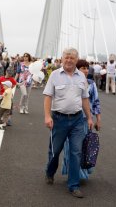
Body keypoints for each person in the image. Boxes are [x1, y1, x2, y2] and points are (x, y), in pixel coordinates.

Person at [43, 48, 93, 198]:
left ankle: (73, 185)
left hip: (77, 120)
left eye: (72, 58)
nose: (69, 60)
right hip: (59, 119)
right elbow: (47, 96)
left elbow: (85, 99)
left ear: (76, 60)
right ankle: (50, 171)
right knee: (55, 151)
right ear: (62, 59)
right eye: (67, 57)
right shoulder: (54, 75)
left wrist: (89, 117)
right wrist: (47, 116)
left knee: (76, 152)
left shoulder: (81, 77)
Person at [62, 59, 101, 180]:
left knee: (82, 147)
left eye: (86, 68)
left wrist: (98, 119)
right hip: (68, 117)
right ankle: (73, 172)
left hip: (84, 120)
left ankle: (80, 173)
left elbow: (95, 102)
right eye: (82, 68)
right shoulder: (69, 81)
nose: (85, 70)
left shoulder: (91, 83)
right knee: (70, 147)